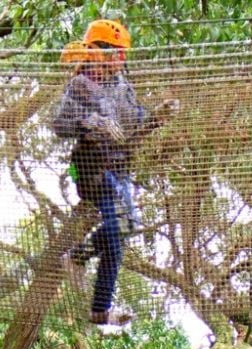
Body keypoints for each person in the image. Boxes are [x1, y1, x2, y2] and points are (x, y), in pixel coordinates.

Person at [53, 19, 178, 325]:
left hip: (118, 168)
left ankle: (99, 308)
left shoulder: (122, 87)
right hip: (89, 168)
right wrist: (90, 121)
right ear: (100, 52)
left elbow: (136, 121)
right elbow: (59, 125)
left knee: (123, 230)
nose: (122, 59)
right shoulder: (80, 84)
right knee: (120, 225)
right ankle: (77, 255)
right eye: (118, 52)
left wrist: (158, 115)